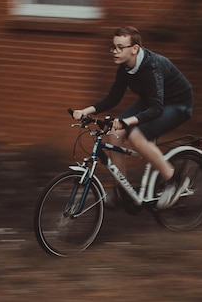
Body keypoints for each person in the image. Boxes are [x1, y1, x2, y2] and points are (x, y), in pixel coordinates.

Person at [72, 26, 193, 209]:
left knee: (137, 137)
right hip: (152, 102)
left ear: (134, 48)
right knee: (114, 132)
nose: (115, 51)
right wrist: (85, 111)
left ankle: (174, 180)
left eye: (120, 47)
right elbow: (113, 97)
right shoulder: (124, 67)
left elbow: (156, 109)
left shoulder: (151, 67)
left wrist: (126, 121)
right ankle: (123, 189)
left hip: (177, 104)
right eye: (113, 47)